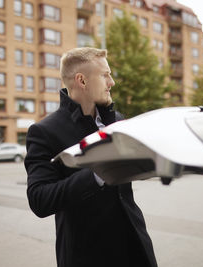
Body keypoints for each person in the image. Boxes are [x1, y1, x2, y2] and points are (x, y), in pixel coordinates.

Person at [24, 47, 157, 267]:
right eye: (105, 75)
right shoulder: (44, 132)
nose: (111, 82)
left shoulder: (118, 120)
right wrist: (97, 173)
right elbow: (40, 199)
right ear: (82, 81)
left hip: (135, 248)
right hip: (87, 255)